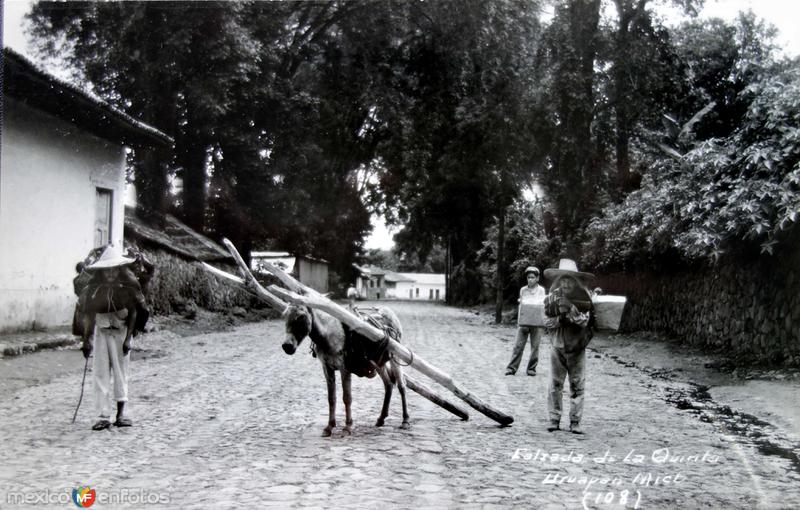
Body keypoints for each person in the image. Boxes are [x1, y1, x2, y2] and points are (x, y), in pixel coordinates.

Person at [78, 245, 140, 431]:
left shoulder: (127, 288)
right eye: (107, 270)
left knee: (121, 373)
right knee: (100, 373)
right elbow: (89, 315)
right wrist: (86, 339)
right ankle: (103, 416)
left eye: (114, 269)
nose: (111, 273)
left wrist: (128, 339)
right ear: (102, 271)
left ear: (119, 270)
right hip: (102, 334)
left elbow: (134, 313)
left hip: (121, 333)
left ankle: (121, 414)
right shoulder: (95, 290)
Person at [543, 259, 595, 434]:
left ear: (575, 281)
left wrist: (571, 311)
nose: (566, 283)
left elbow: (584, 321)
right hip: (557, 346)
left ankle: (575, 422)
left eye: (569, 280)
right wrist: (560, 318)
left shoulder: (584, 298)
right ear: (559, 280)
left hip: (577, 347)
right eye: (563, 279)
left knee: (577, 385)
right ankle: (554, 419)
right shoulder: (551, 298)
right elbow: (546, 321)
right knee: (555, 384)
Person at [506, 266, 546, 376]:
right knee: (518, 346)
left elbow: (541, 306)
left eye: (533, 277)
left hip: (536, 322)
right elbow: (522, 306)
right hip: (524, 322)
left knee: (535, 346)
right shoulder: (523, 290)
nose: (530, 280)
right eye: (528, 277)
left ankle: (531, 368)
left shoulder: (541, 290)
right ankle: (511, 368)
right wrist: (519, 321)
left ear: (537, 278)